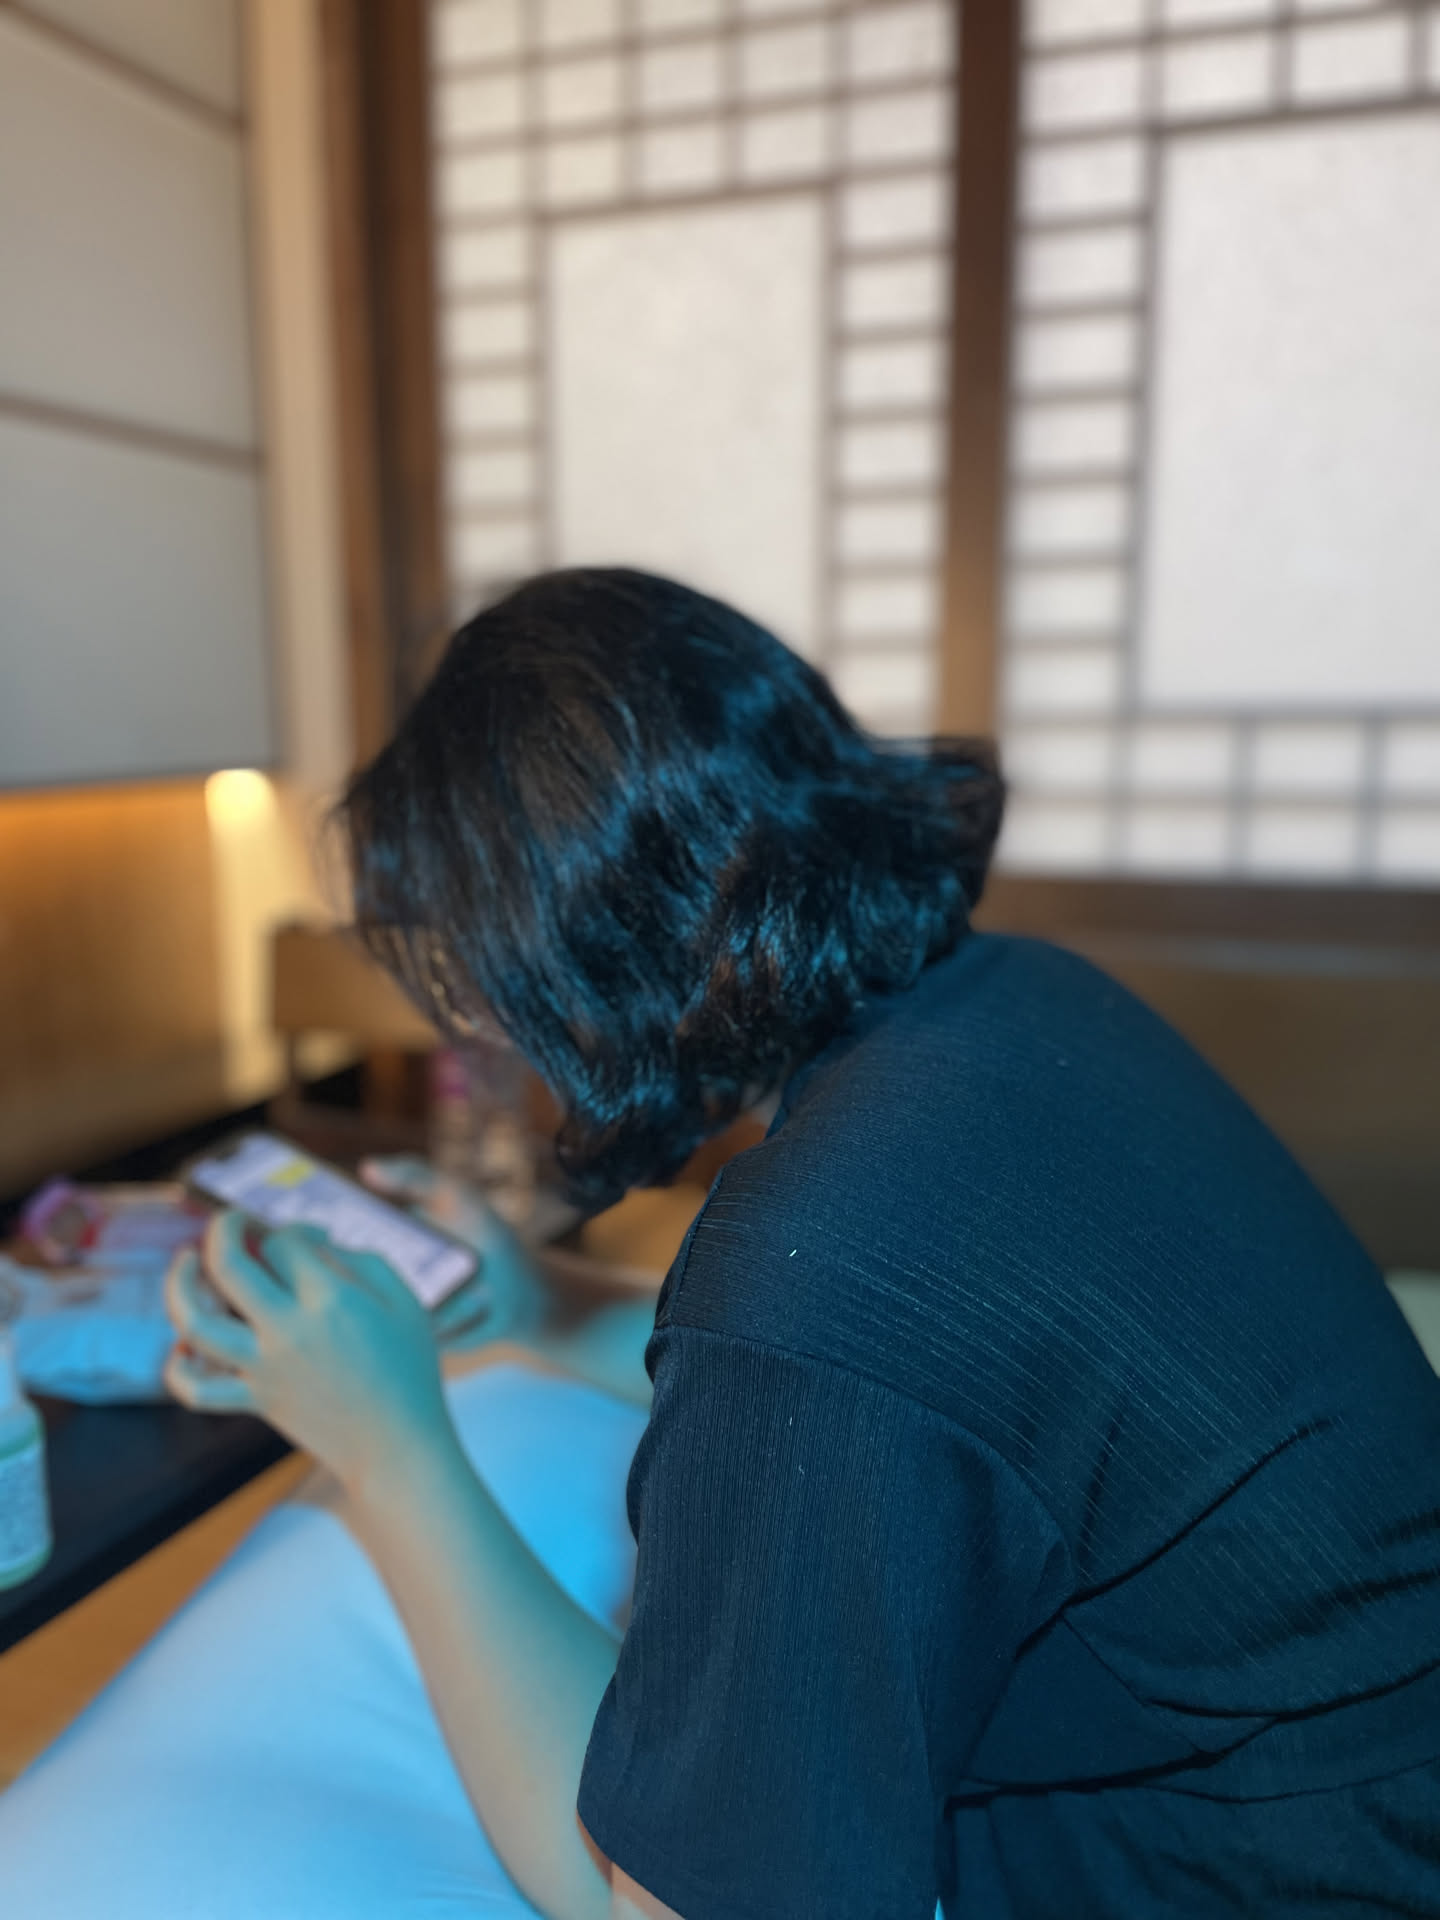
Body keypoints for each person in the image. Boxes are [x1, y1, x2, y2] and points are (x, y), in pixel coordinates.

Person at [165, 568, 1440, 1920]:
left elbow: (663, 1901)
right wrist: (540, 1302)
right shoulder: (1016, 1001)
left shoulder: (816, 1268)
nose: (471, 1028)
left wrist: (388, 1447)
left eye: (466, 975)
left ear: (563, 958)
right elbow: (930, 1394)